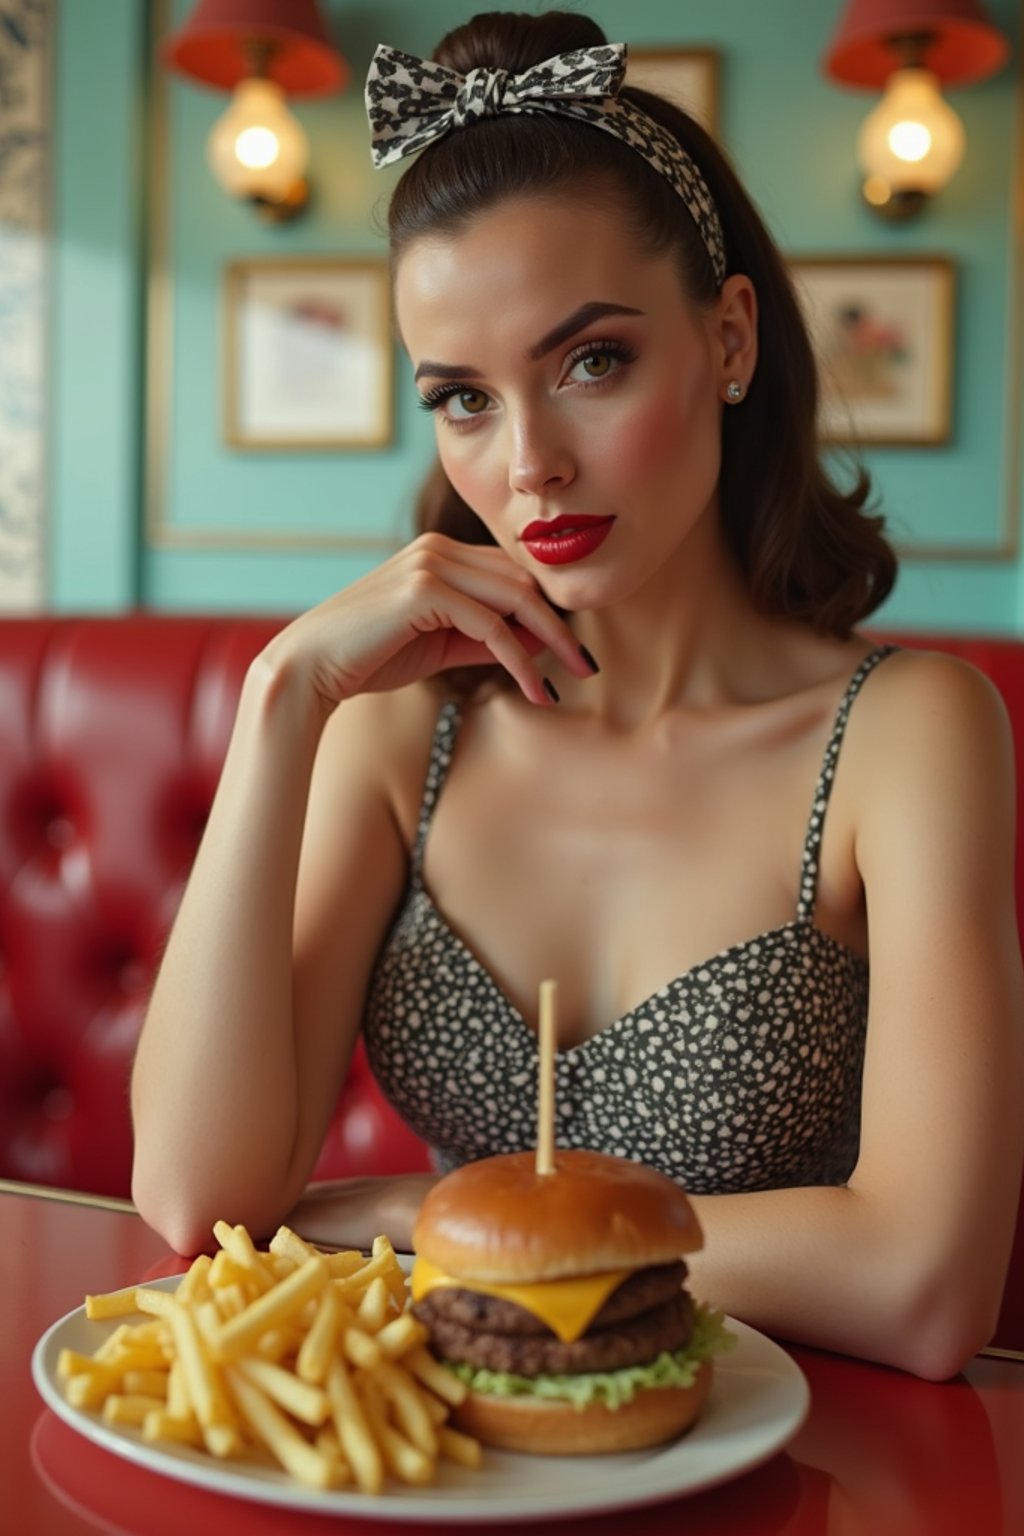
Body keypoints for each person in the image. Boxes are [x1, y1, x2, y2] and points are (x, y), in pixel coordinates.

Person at [130, 11, 1024, 1381]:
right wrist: (280, 696)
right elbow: (198, 1198)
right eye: (464, 398)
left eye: (591, 362)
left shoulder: (909, 735)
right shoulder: (399, 731)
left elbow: (922, 1285)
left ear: (728, 341)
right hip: (447, 1465)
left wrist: (421, 1223)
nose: (530, 462)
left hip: (791, 1473)